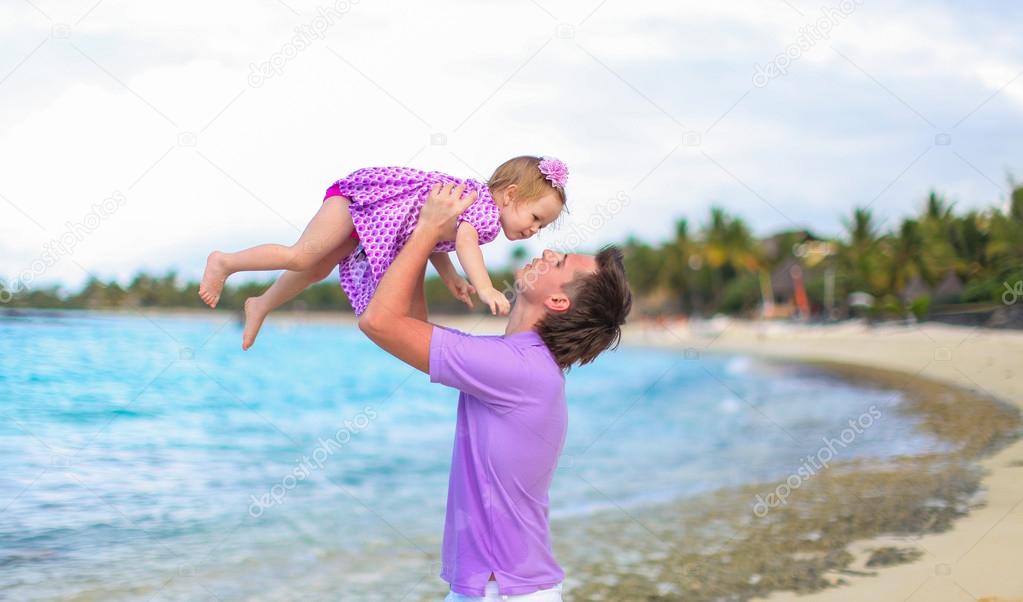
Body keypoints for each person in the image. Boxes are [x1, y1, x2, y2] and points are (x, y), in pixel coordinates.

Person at [358, 182, 633, 601]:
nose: (545, 251)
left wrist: (428, 230)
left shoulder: (517, 369)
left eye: (558, 261)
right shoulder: (522, 363)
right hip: (502, 588)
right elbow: (408, 323)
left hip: (503, 592)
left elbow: (379, 322)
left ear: (558, 300)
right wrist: (427, 238)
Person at [197, 156, 569, 349]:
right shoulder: (484, 210)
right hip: (361, 201)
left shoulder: (475, 207)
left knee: (315, 268)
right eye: (536, 217)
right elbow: (464, 241)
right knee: (302, 256)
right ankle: (226, 261)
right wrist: (485, 287)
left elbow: (437, 238)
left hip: (373, 217)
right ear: (511, 195)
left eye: (542, 226)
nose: (534, 230)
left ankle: (260, 304)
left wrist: (451, 276)